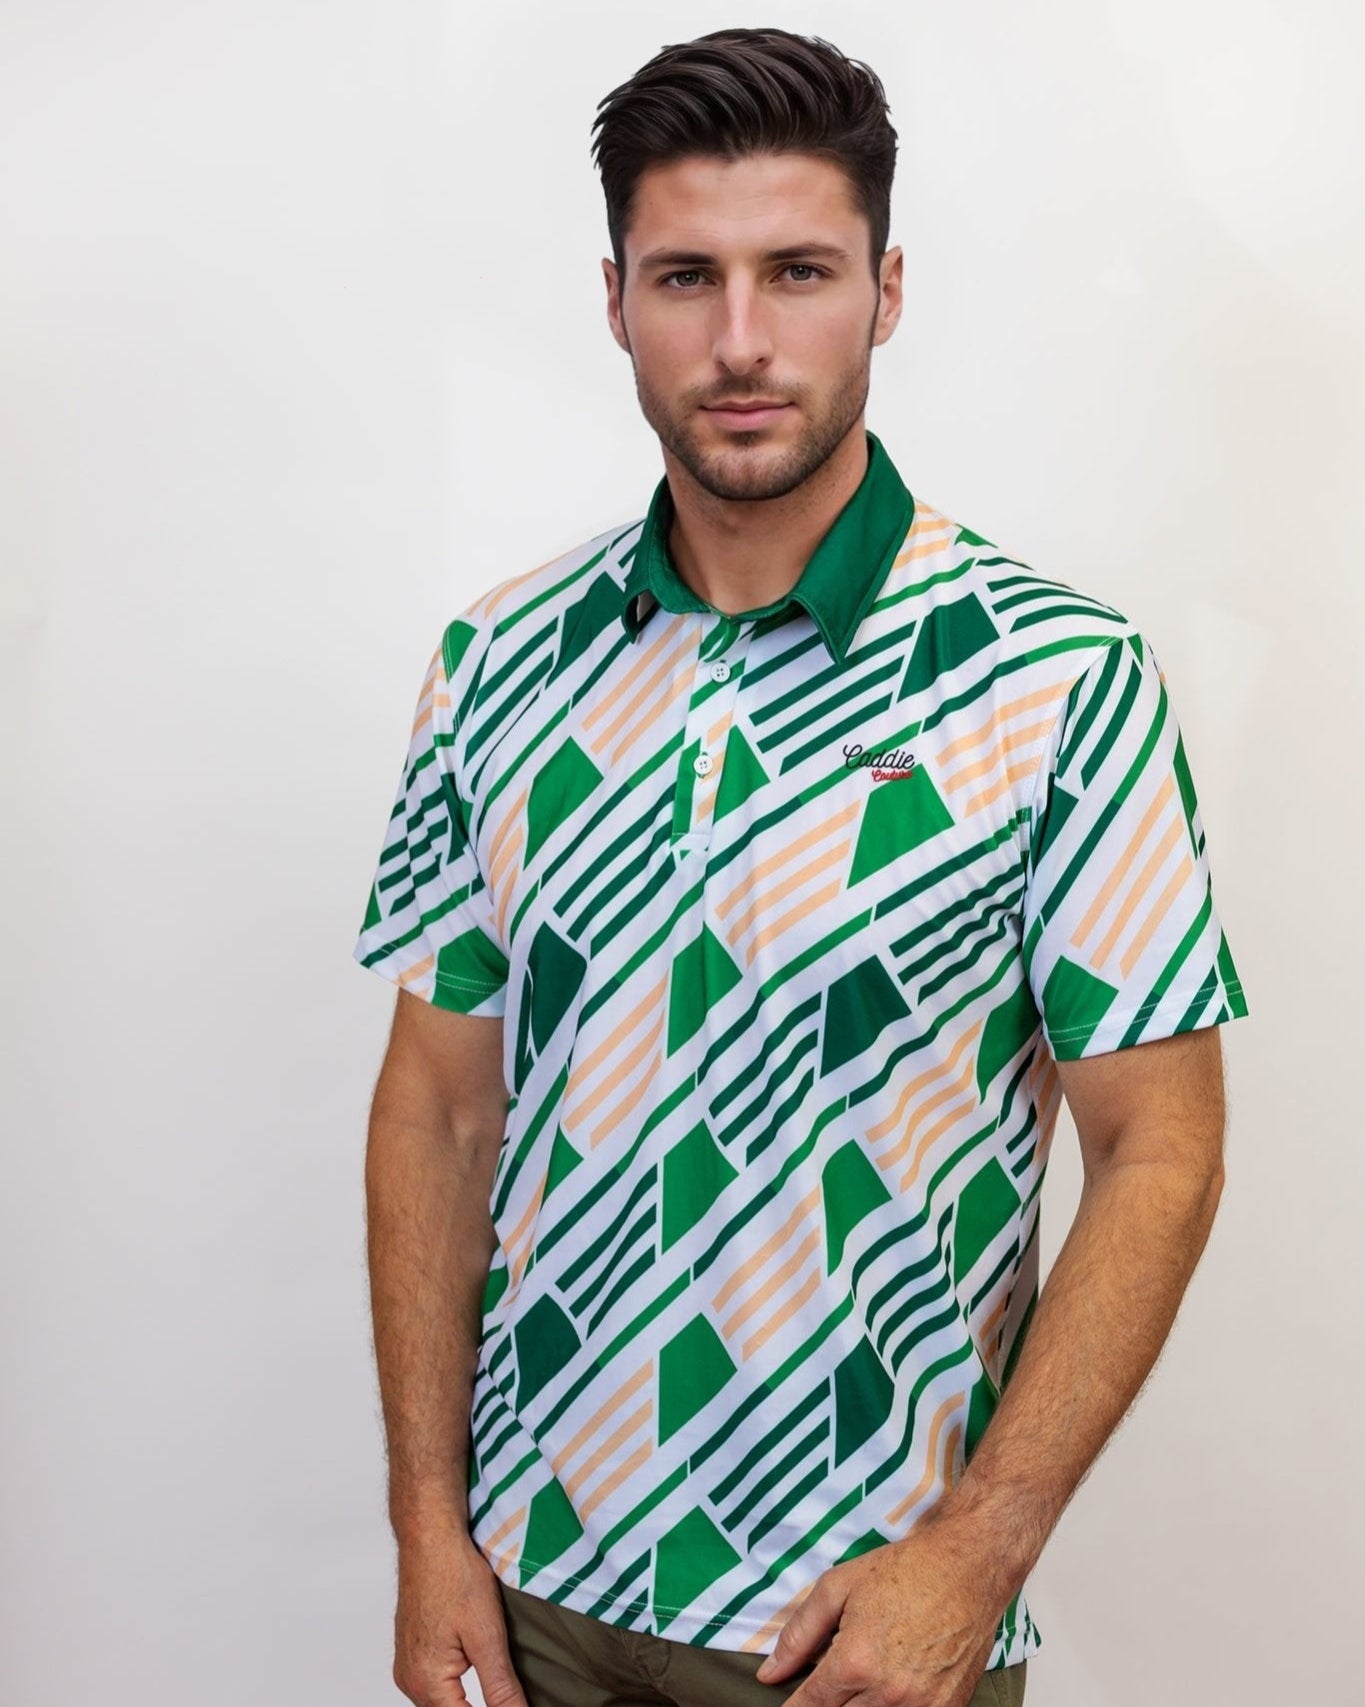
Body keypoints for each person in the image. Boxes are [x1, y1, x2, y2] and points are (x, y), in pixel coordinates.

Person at [352, 26, 1249, 1707]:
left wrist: (975, 1556)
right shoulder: (496, 661)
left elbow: (1158, 1148)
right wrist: (424, 1521)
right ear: (615, 299)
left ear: (885, 291)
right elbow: (438, 1109)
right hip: (530, 1591)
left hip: (854, 1629)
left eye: (800, 271)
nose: (741, 341)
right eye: (686, 276)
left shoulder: (1054, 676)